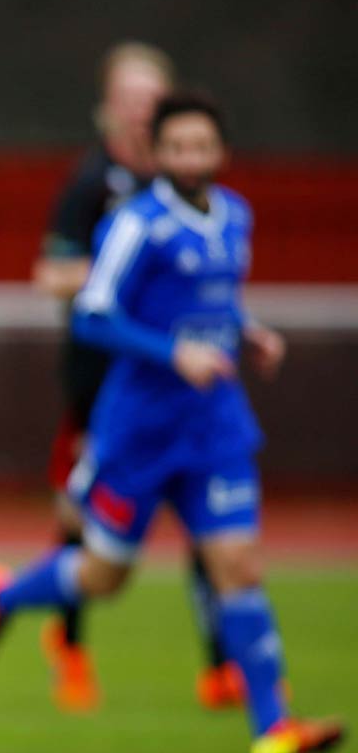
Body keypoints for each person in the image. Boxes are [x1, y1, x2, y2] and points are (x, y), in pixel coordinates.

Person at [0, 92, 343, 753]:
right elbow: (93, 318)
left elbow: (213, 304)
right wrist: (175, 354)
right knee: (105, 577)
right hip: (138, 429)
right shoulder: (136, 224)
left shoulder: (236, 217)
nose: (193, 159)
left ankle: (272, 730)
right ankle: (3, 597)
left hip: (213, 425)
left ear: (220, 153)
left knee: (240, 568)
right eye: (179, 148)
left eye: (204, 147)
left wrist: (245, 333)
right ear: (158, 155)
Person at [29, 42, 236, 713]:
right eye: (131, 98)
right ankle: (68, 647)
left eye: (154, 97)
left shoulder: (190, 192)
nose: (143, 111)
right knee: (84, 529)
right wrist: (120, 276)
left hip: (180, 387)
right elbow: (51, 273)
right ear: (110, 109)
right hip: (102, 386)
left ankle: (221, 667)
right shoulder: (92, 184)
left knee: (210, 525)